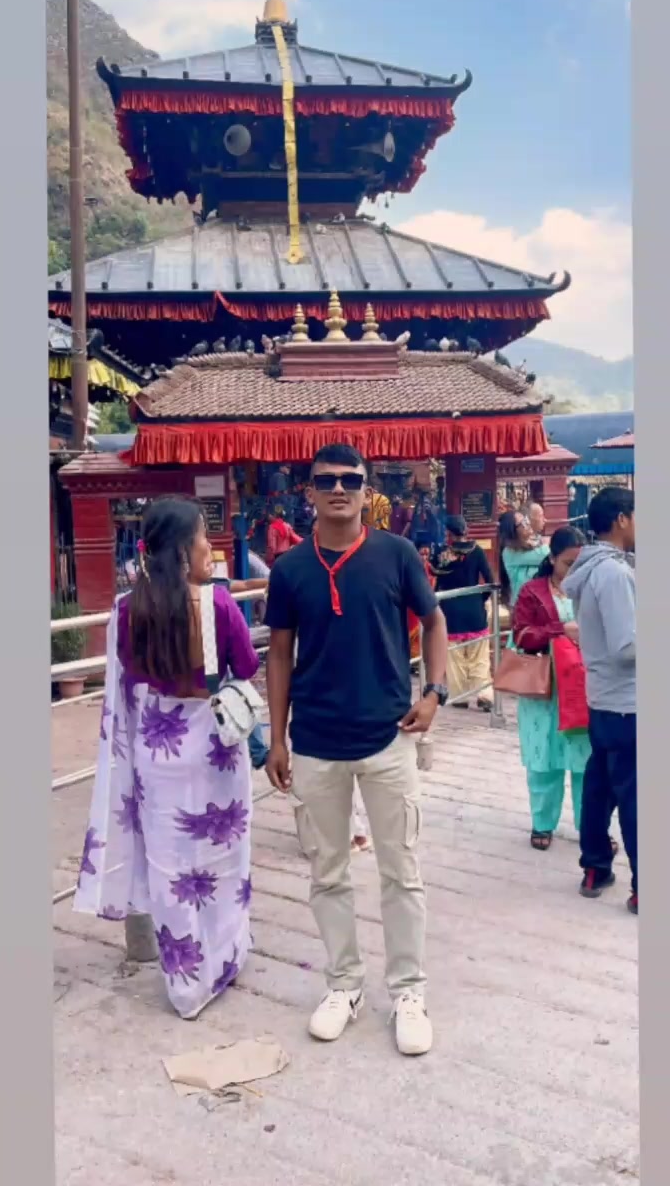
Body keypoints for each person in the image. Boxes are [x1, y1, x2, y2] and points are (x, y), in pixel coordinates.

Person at [264, 443, 448, 1056]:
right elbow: (280, 654)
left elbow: (434, 621)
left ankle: (409, 992)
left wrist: (435, 692)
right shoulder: (290, 569)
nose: (338, 489)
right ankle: (344, 984)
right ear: (309, 491)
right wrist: (277, 737)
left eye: (350, 479)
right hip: (316, 743)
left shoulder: (396, 554)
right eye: (326, 480)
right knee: (328, 872)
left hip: (389, 737)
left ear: (367, 490)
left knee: (402, 871)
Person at [73, 496, 260, 1019]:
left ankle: (185, 986)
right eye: (202, 537)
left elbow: (128, 676)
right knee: (223, 862)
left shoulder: (125, 610)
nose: (208, 547)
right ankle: (222, 962)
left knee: (170, 866)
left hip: (159, 752)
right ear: (182, 549)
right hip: (215, 749)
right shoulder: (217, 604)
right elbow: (246, 666)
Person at [563, 487, 637, 914]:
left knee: (601, 786)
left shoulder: (593, 568)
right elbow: (626, 647)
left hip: (605, 699)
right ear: (622, 519)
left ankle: (595, 867)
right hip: (627, 702)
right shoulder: (613, 574)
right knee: (635, 796)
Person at [512, 526, 594, 849]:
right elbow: (521, 635)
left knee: (587, 763)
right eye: (568, 563)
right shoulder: (532, 591)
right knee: (542, 760)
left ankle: (591, 828)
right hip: (545, 689)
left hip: (585, 686)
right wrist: (560, 630)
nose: (574, 570)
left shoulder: (592, 588)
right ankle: (542, 824)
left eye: (580, 563)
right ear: (552, 558)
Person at [435, 516, 495, 712]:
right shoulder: (477, 551)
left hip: (451, 610)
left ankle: (459, 695)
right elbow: (489, 580)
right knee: (480, 656)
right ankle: (484, 694)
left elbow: (437, 583)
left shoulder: (443, 554)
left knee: (455, 657)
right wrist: (479, 599)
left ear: (449, 533)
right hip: (474, 609)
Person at [498, 509, 550, 617]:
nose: (528, 523)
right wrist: (545, 544)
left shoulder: (534, 542)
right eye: (523, 523)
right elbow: (545, 555)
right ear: (513, 530)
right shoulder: (510, 552)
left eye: (526, 519)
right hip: (522, 605)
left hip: (540, 602)